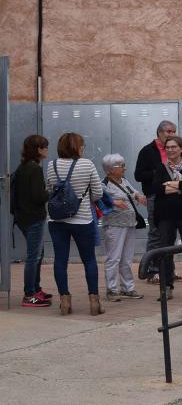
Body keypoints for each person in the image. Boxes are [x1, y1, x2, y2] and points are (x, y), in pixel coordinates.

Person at [46, 133, 104, 316]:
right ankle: (94, 301)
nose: (83, 148)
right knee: (89, 259)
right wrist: (82, 199)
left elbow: (50, 189)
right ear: (77, 147)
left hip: (56, 220)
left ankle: (64, 301)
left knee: (60, 260)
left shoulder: (51, 165)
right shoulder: (87, 164)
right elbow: (98, 193)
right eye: (82, 145)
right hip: (82, 219)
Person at [153, 135, 182, 299]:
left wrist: (170, 184)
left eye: (174, 147)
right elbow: (157, 189)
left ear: (181, 148)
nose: (171, 150)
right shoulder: (161, 167)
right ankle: (166, 287)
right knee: (165, 250)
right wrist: (179, 187)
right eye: (168, 147)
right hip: (165, 215)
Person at [135, 120, 178, 284]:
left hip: (173, 196)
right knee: (155, 234)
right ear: (159, 132)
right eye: (168, 131)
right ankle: (152, 271)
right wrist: (158, 173)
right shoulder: (147, 151)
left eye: (173, 131)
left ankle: (168, 271)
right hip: (155, 197)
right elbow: (139, 175)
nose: (171, 135)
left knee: (171, 234)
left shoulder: (175, 149)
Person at [100, 154, 147, 302]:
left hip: (129, 223)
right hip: (114, 225)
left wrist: (138, 196)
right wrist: (114, 202)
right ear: (110, 170)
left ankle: (128, 288)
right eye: (120, 165)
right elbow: (98, 199)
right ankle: (112, 290)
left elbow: (132, 192)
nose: (123, 167)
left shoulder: (124, 180)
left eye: (123, 164)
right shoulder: (104, 184)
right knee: (114, 258)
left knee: (126, 258)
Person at [12, 135, 52, 307]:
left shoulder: (23, 167)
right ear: (38, 149)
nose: (47, 150)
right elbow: (38, 196)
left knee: (37, 254)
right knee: (33, 257)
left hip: (23, 217)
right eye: (45, 147)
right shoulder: (34, 169)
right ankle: (29, 294)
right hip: (33, 217)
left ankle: (36, 289)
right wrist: (50, 191)